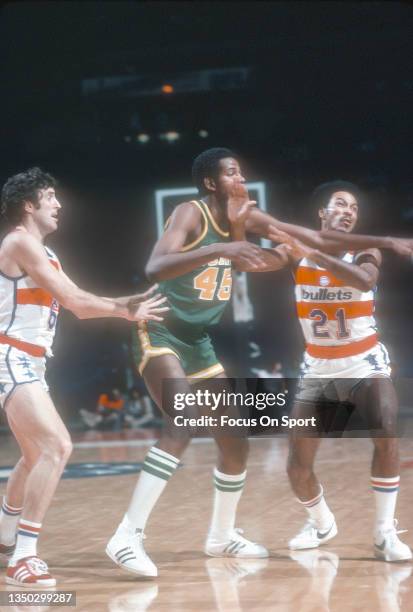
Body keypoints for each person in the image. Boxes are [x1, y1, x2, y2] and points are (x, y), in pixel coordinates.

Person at [106, 148, 271, 578]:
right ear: (210, 183)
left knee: (236, 440)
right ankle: (126, 535)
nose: (241, 178)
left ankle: (221, 535)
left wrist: (295, 249)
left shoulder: (240, 219)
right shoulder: (189, 212)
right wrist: (227, 245)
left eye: (242, 171)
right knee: (182, 421)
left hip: (197, 340)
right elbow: (155, 267)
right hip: (159, 327)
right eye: (231, 172)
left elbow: (276, 244)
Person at [0, 167, 169, 587]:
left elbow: (81, 307)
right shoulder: (20, 241)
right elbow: (75, 298)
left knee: (34, 455)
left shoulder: (46, 253)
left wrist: (126, 308)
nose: (58, 204)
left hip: (30, 361)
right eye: (51, 196)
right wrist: (125, 307)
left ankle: (5, 533)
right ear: (28, 204)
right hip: (9, 355)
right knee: (57, 446)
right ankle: (23, 556)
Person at [247, 181, 412, 562]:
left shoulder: (366, 250)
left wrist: (315, 254)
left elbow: (365, 280)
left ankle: (384, 533)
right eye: (340, 204)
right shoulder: (294, 252)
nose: (348, 211)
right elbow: (262, 260)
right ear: (322, 214)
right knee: (297, 467)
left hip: (365, 359)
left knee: (387, 432)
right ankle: (322, 523)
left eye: (353, 207)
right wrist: (233, 238)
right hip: (319, 366)